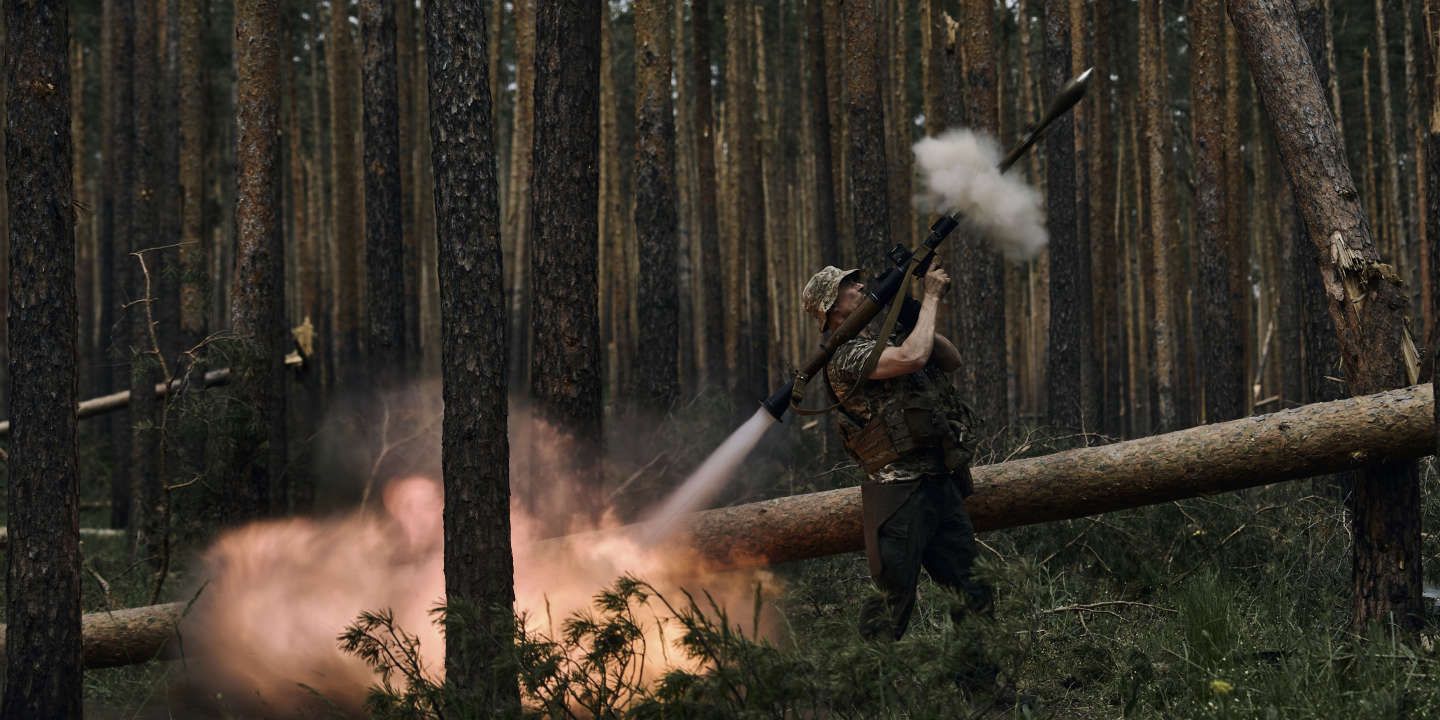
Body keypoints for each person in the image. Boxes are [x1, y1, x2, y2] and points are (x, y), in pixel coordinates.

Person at [801, 262, 993, 641]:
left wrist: (912, 308)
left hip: (940, 485)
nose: (859, 285)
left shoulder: (885, 342)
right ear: (831, 306)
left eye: (856, 281)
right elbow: (912, 358)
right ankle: (867, 695)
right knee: (890, 608)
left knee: (975, 593)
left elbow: (950, 360)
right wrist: (933, 298)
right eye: (848, 285)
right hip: (900, 498)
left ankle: (984, 694)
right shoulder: (845, 356)